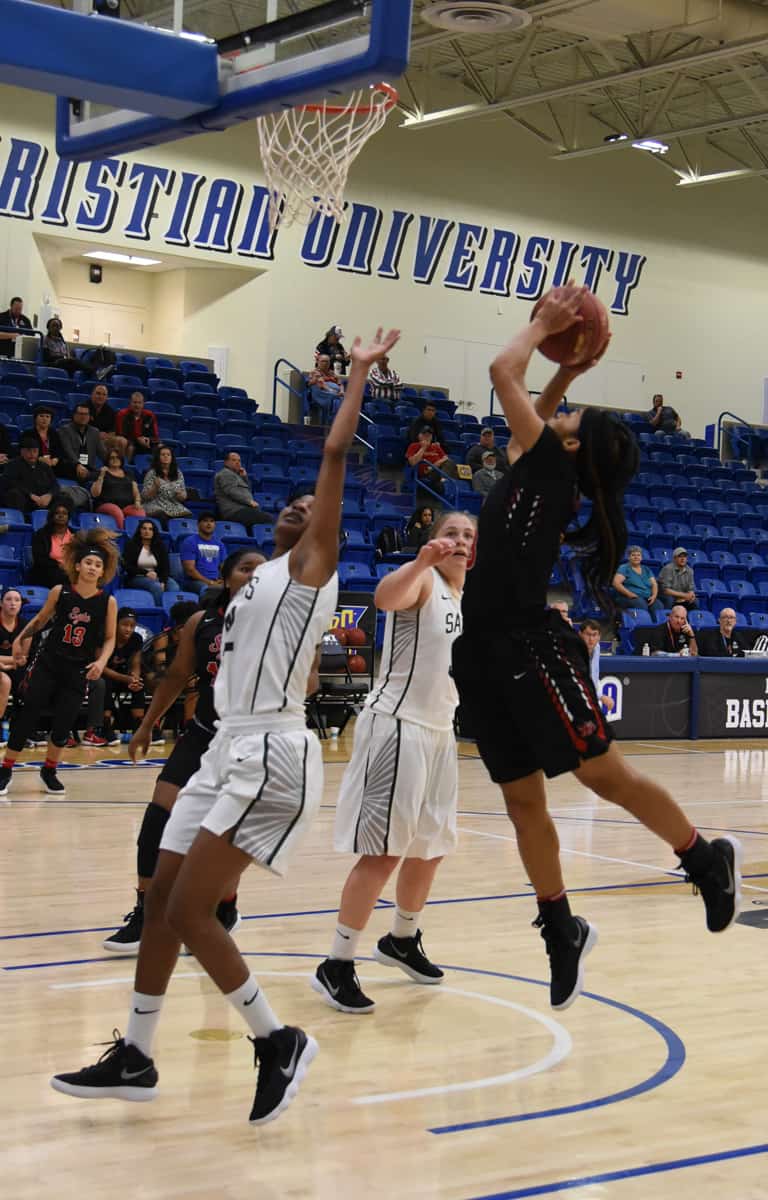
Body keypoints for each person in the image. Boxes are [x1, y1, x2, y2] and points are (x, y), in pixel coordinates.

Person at [50, 324, 400, 1126]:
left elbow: (336, 460)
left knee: (191, 910)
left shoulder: (311, 570)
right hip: (223, 746)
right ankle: (137, 1054)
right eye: (296, 502)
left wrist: (353, 379)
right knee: (164, 901)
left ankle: (275, 1040)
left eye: (314, 508)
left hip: (271, 750)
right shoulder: (251, 582)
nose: (303, 506)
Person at [451, 284, 742, 1014]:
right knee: (523, 803)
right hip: (483, 652)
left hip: (531, 645)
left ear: (574, 445)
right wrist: (568, 375)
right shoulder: (540, 463)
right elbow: (530, 412)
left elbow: (499, 373)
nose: (561, 414)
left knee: (601, 775)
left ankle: (705, 859)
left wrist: (540, 326)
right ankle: (561, 927)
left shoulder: (549, 466)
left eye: (571, 415)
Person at [313, 511, 475, 1014]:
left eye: (469, 536)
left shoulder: (464, 597)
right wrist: (421, 560)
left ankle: (401, 939)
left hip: (439, 731)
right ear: (433, 541)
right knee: (384, 850)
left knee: (430, 845)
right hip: (398, 726)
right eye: (451, 533)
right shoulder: (422, 580)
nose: (460, 541)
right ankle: (336, 962)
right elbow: (384, 598)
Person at [102, 551, 265, 954]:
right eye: (246, 568)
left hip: (251, 739)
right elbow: (177, 675)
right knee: (158, 815)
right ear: (226, 579)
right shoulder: (201, 622)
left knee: (225, 836)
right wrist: (145, 724)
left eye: (263, 570)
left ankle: (224, 907)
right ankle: (145, 911)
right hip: (204, 733)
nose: (254, 576)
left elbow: (310, 680)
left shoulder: (278, 623)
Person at [0, 528, 118, 797]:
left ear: (103, 572)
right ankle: (5, 769)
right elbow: (40, 620)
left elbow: (110, 638)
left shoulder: (108, 602)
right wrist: (21, 637)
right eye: (88, 562)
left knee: (64, 722)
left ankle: (50, 770)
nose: (92, 567)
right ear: (77, 565)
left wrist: (101, 661)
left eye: (97, 564)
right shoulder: (60, 591)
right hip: (49, 662)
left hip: (79, 668)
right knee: (28, 714)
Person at [123, 519, 180, 605]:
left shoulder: (160, 546)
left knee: (174, 587)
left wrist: (163, 581)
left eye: (150, 529)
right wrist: (146, 573)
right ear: (139, 530)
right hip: (137, 577)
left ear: (154, 532)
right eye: (144, 528)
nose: (147, 531)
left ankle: (173, 611)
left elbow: (165, 567)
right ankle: (160, 611)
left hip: (157, 576)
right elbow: (127, 566)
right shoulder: (131, 545)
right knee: (156, 587)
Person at [0, 433, 59, 514]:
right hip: (25, 500)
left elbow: (55, 484)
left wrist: (49, 495)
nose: (32, 454)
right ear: (22, 452)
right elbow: (10, 483)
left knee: (65, 498)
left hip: (43, 500)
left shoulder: (45, 466)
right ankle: (22, 520)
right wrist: (30, 495)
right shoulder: (13, 465)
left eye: (35, 451)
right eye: (28, 451)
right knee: (14, 495)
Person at [214, 452, 273, 527]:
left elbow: (248, 492)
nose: (237, 463)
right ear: (226, 462)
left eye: (239, 461)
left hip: (244, 510)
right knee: (268, 519)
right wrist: (249, 501)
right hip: (235, 511)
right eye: (234, 460)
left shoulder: (237, 476)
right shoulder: (225, 473)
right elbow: (232, 491)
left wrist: (244, 477)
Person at [91, 449, 145, 529]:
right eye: (112, 458)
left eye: (117, 457)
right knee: (116, 511)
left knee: (139, 513)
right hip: (106, 504)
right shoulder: (102, 473)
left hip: (126, 506)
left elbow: (136, 491)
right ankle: (121, 534)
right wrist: (101, 476)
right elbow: (95, 494)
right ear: (108, 460)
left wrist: (137, 501)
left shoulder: (128, 474)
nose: (115, 459)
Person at [29, 496, 75, 589]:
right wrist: (59, 565)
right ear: (52, 516)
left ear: (68, 517)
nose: (61, 516)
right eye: (57, 513)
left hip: (70, 570)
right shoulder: (41, 534)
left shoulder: (75, 536)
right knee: (61, 576)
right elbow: (39, 559)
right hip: (47, 571)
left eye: (64, 513)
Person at [57, 401, 104, 488]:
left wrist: (112, 465)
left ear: (90, 417)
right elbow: (68, 451)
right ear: (74, 415)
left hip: (87, 468)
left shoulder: (94, 432)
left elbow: (103, 453)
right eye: (80, 414)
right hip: (70, 466)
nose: (83, 417)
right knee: (91, 475)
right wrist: (77, 465)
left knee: (107, 474)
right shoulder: (64, 430)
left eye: (86, 414)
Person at [140, 445, 191, 525]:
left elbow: (183, 496)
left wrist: (181, 495)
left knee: (187, 516)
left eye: (168, 455)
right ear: (158, 457)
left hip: (173, 504)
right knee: (162, 516)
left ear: (172, 458)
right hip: (155, 504)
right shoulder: (152, 473)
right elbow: (144, 497)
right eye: (163, 455)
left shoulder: (178, 473)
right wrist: (155, 488)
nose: (166, 457)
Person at [179, 513, 226, 594]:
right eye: (205, 521)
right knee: (208, 590)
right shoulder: (190, 542)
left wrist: (222, 580)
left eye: (212, 521)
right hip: (194, 582)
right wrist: (210, 583)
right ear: (198, 524)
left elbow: (224, 567)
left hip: (215, 581)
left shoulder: (219, 544)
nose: (209, 524)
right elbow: (190, 570)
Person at [613, 545, 665, 617]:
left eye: (638, 555)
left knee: (658, 605)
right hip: (629, 597)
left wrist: (654, 596)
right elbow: (616, 583)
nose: (636, 557)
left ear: (641, 557)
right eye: (633, 555)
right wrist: (629, 594)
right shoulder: (624, 568)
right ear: (629, 557)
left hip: (647, 597)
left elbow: (654, 584)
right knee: (641, 605)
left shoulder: (646, 569)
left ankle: (656, 626)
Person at [578, 618, 615, 712]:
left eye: (594, 635)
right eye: (588, 634)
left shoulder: (596, 648)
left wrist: (599, 695)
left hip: (589, 698)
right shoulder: (574, 651)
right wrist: (600, 696)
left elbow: (593, 675)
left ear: (599, 637)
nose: (591, 639)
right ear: (580, 634)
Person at [0, 587, 23, 738]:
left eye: (17, 600)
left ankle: (24, 728)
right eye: (8, 599)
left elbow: (24, 657)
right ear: (1, 603)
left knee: (32, 680)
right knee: (5, 680)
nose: (13, 604)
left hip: (17, 668)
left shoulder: (25, 625)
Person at [116, 392, 159, 462]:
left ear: (143, 404)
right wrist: (137, 439)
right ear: (130, 403)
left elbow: (155, 436)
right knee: (130, 447)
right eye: (134, 402)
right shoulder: (122, 414)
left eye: (139, 403)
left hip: (145, 443)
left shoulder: (150, 416)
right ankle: (125, 468)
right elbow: (121, 434)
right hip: (130, 442)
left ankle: (157, 470)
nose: (137, 405)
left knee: (160, 447)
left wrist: (148, 440)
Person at [405, 427, 450, 494]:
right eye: (424, 435)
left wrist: (436, 464)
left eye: (429, 435)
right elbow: (413, 463)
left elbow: (446, 458)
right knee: (437, 474)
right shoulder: (413, 446)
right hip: (424, 473)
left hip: (437, 469)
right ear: (419, 436)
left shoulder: (436, 446)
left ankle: (444, 481)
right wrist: (423, 448)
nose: (427, 437)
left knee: (450, 463)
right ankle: (444, 481)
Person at [89, 385, 127, 459]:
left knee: (122, 441)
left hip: (104, 440)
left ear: (106, 398)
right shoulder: (83, 408)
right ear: (92, 395)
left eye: (104, 395)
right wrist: (97, 434)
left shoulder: (110, 411)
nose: (101, 397)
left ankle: (118, 465)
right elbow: (79, 428)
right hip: (87, 438)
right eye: (98, 393)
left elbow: (112, 431)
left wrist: (107, 436)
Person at [306, 355, 344, 424]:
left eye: (327, 362)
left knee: (345, 398)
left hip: (334, 392)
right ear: (318, 362)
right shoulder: (315, 372)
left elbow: (340, 384)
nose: (325, 363)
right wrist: (333, 392)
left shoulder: (332, 373)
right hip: (321, 394)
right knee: (335, 398)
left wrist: (342, 391)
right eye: (323, 361)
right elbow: (322, 384)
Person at [657, 547, 697, 611]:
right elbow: (666, 590)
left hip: (681, 595)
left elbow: (691, 588)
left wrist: (691, 595)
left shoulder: (690, 570)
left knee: (695, 601)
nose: (683, 559)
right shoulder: (668, 569)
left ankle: (690, 620)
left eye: (684, 557)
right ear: (674, 558)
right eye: (680, 556)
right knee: (669, 600)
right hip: (666, 595)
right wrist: (684, 595)